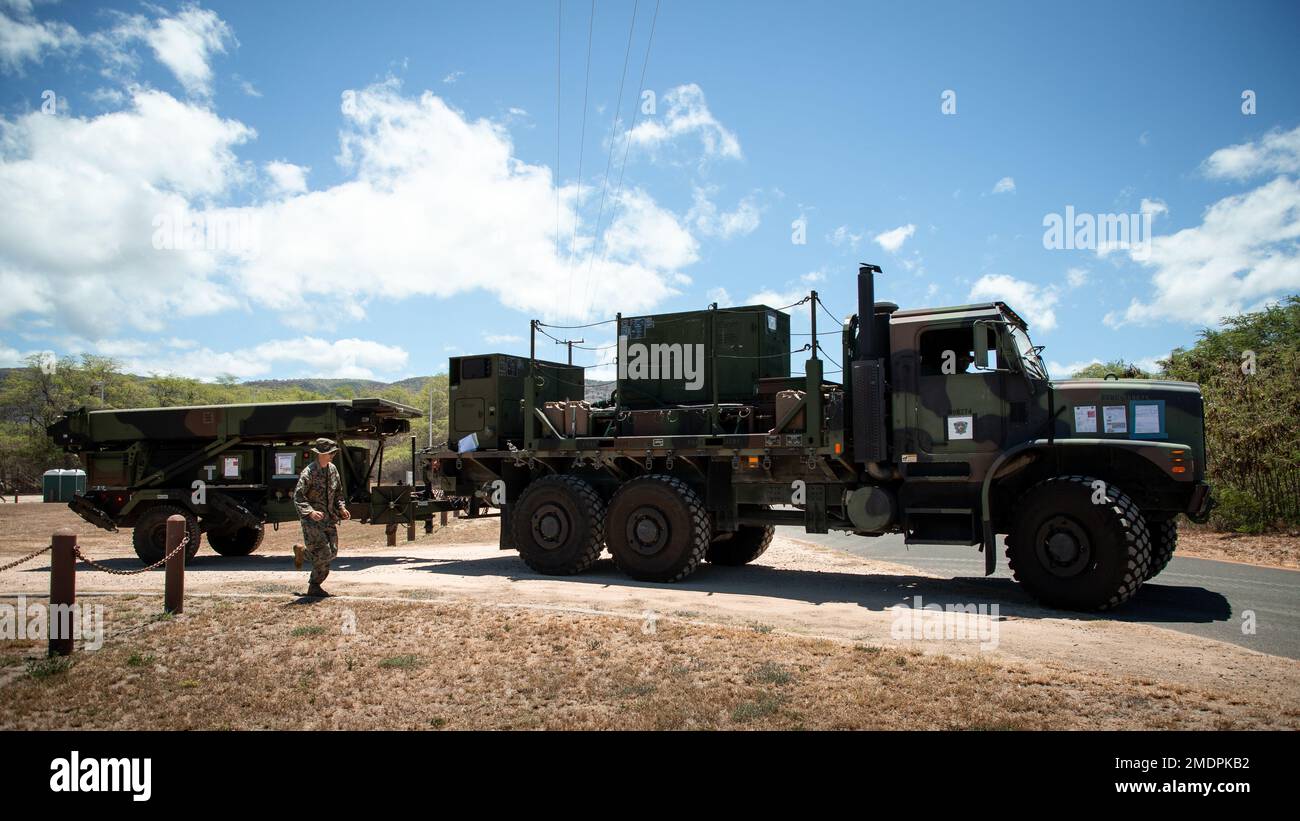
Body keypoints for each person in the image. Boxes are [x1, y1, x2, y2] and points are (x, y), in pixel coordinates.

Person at [292, 437, 351, 597]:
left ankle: (302, 553)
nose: (332, 456)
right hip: (312, 521)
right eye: (329, 453)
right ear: (320, 454)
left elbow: (338, 493)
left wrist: (342, 508)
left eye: (333, 453)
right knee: (324, 553)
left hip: (329, 519)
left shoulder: (333, 470)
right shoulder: (309, 472)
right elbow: (298, 497)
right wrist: (310, 512)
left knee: (332, 553)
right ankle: (314, 586)